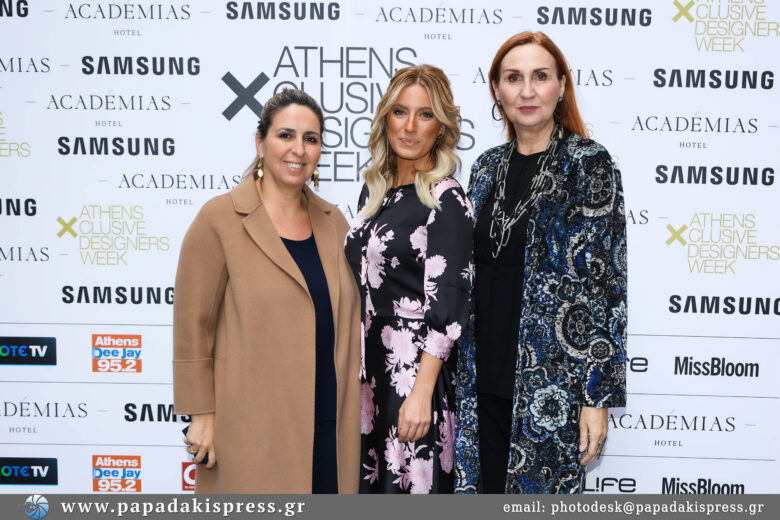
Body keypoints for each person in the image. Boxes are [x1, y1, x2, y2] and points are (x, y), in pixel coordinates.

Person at [455, 32, 627, 494]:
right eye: (514, 78)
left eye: (540, 77)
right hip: (477, 380)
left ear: (561, 86)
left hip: (552, 388)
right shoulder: (485, 168)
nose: (527, 91)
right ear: (497, 90)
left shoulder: (588, 164)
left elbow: (608, 288)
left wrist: (596, 397)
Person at [173, 89, 361, 493]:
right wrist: (201, 413)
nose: (299, 149)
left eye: (311, 139)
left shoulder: (334, 223)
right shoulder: (219, 218)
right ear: (260, 143)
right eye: (285, 135)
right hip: (251, 426)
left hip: (330, 425)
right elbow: (193, 325)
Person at [344, 65, 473, 494]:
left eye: (425, 114)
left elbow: (450, 308)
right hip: (370, 380)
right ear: (386, 118)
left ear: (442, 127)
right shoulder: (374, 192)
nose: (411, 126)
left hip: (415, 379)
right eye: (400, 112)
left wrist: (420, 394)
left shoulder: (446, 198)